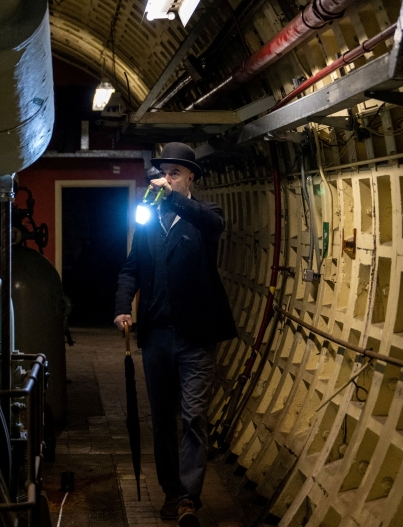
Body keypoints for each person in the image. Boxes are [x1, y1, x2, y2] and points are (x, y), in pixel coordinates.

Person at [114, 142, 237, 526]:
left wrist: (174, 199)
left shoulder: (204, 217)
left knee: (194, 415)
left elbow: (213, 223)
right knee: (162, 418)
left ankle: (188, 498)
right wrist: (122, 306)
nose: (166, 179)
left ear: (190, 178)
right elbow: (131, 267)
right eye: (163, 173)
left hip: (196, 337)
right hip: (157, 337)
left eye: (174, 173)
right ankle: (170, 490)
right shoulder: (150, 219)